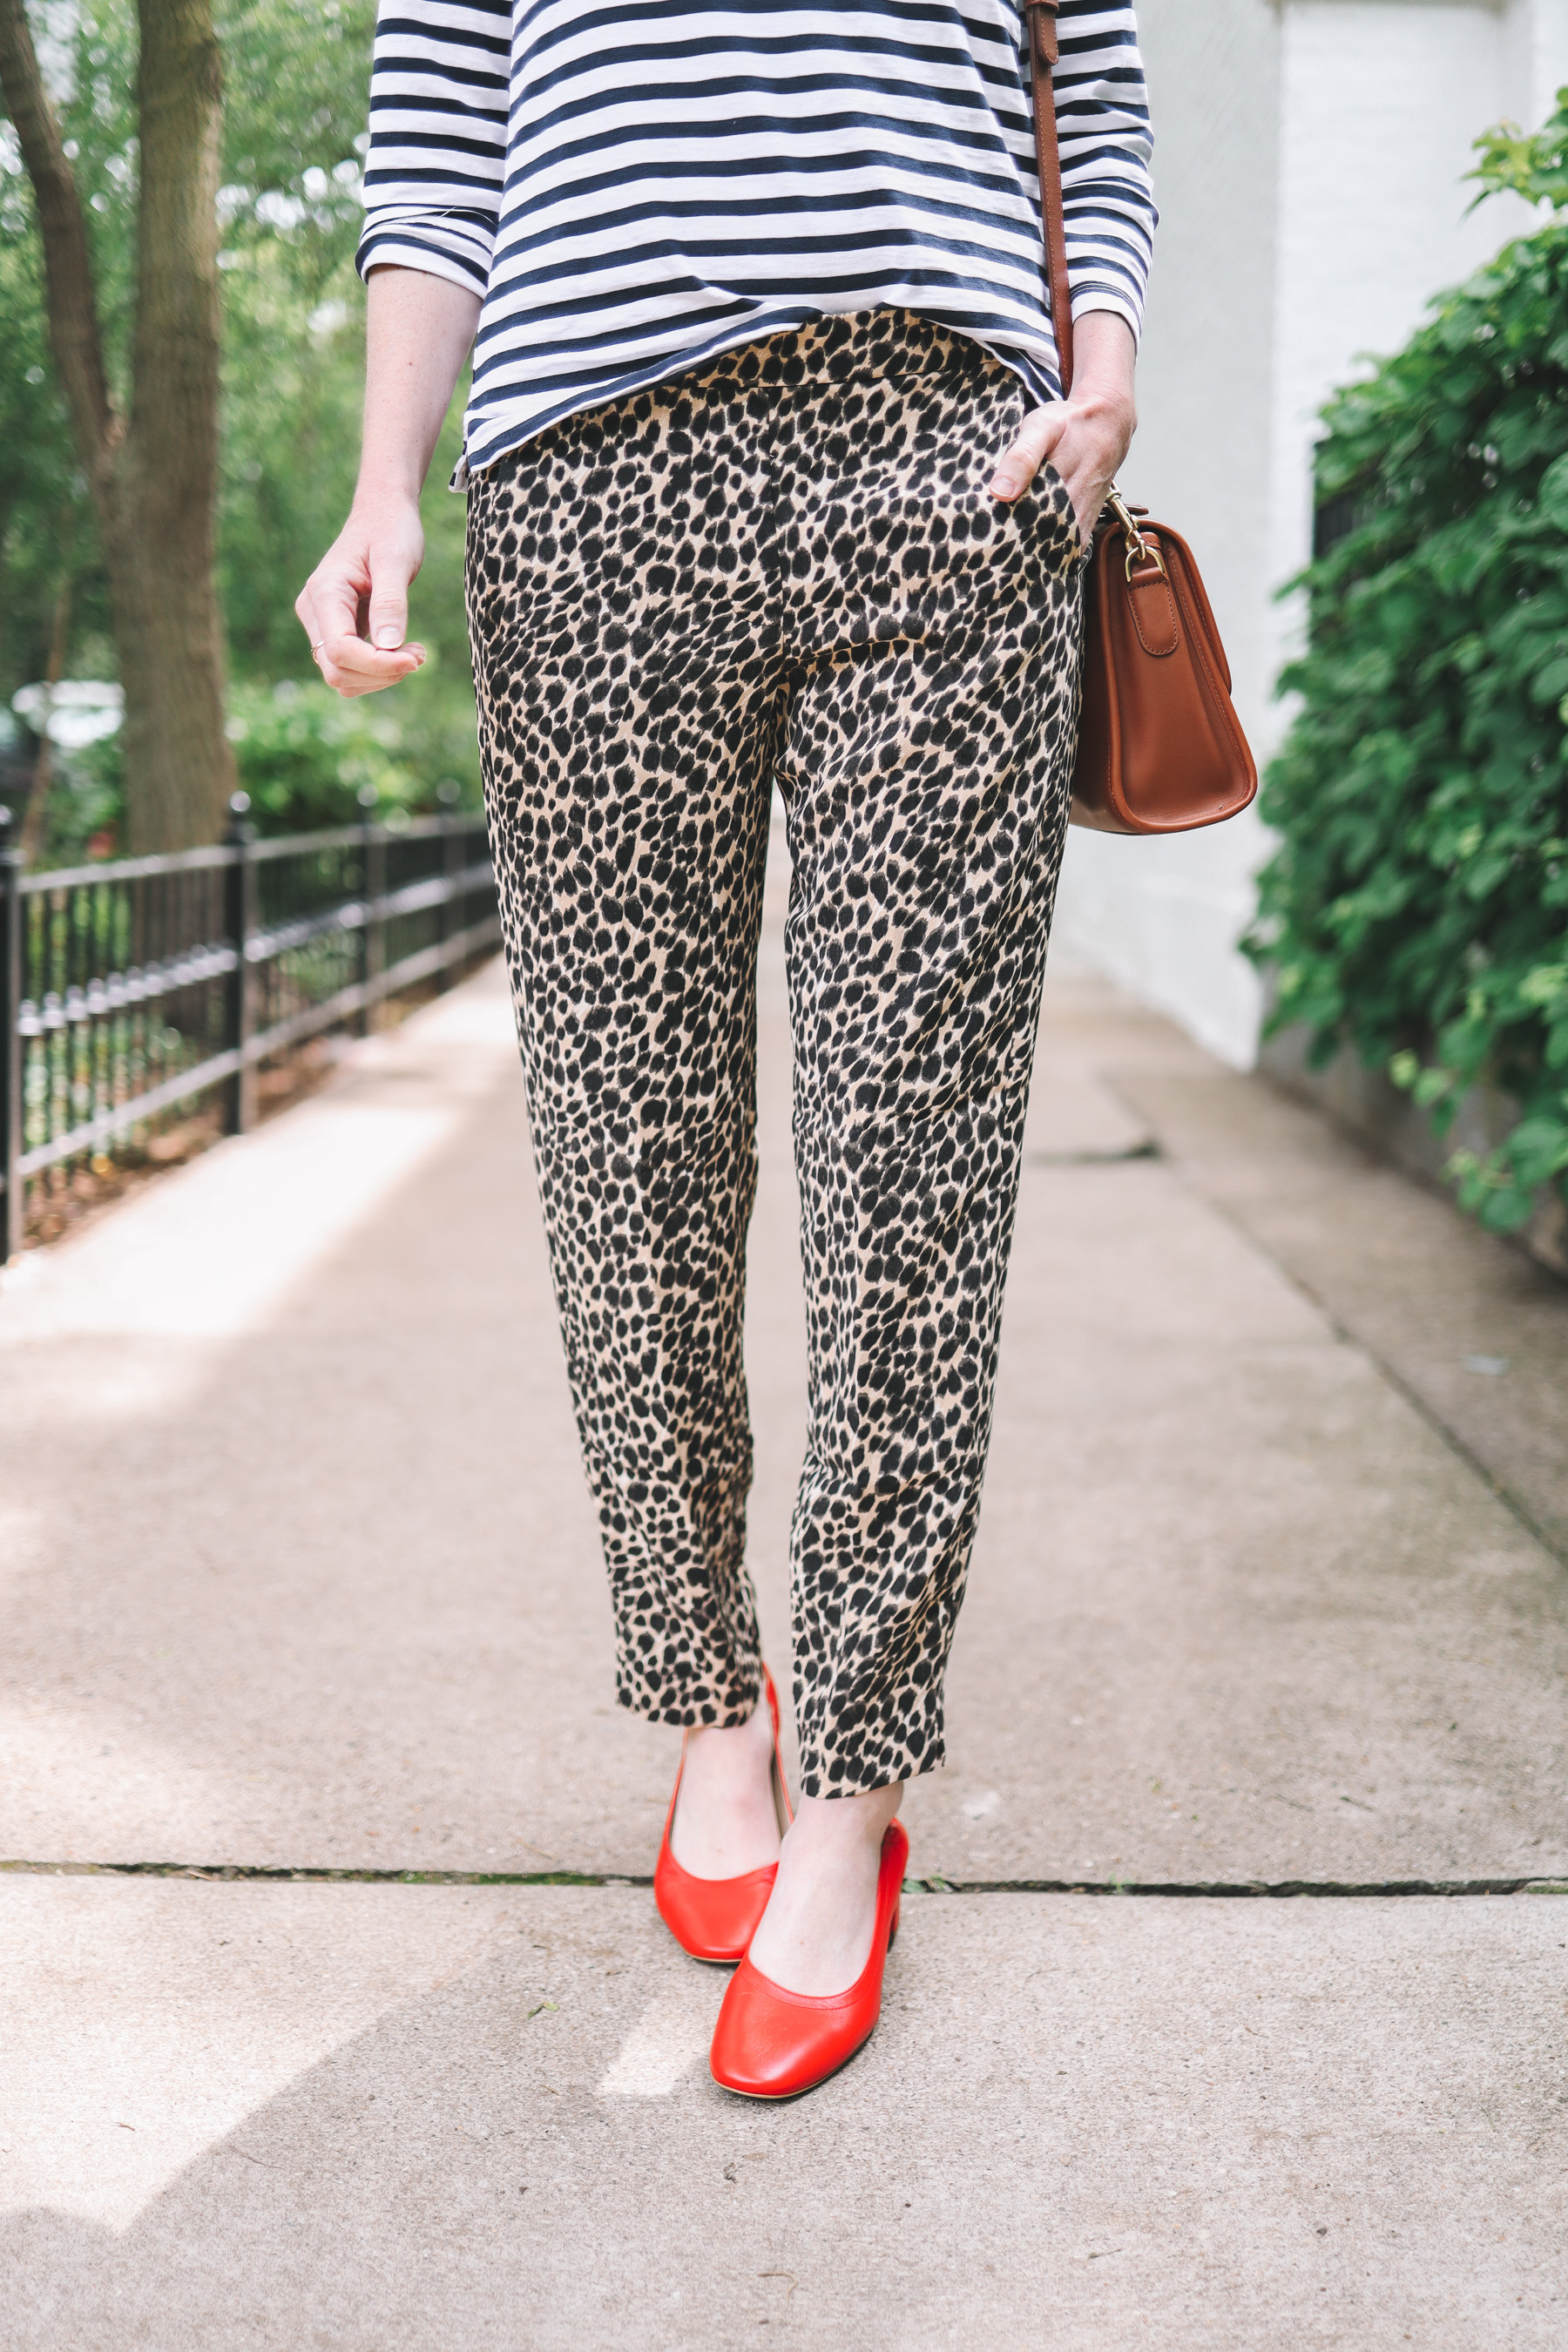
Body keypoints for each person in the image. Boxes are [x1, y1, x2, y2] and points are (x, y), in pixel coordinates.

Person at [298, 0, 1154, 2099]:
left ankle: (854, 1793)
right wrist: (379, 483)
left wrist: (1108, 377)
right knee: (629, 1156)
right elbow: (435, 137)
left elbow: (1098, 78)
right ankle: (707, 1703)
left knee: (909, 1173)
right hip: (589, 487)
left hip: (945, 466)